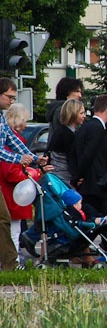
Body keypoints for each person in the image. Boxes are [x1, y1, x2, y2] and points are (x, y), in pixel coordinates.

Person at [0, 104, 41, 264]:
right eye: (24, 121)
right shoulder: (10, 142)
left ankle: (12, 261)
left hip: (13, 193)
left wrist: (34, 159)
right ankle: (12, 261)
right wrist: (34, 173)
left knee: (12, 228)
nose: (26, 125)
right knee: (12, 229)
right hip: (13, 193)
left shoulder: (11, 137)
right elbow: (10, 172)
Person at [73, 93, 107, 217]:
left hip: (88, 183)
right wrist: (78, 177)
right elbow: (88, 155)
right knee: (104, 219)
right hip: (96, 183)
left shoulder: (86, 127)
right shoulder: (97, 128)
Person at [46, 98, 85, 184]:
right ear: (73, 114)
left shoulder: (63, 131)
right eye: (81, 113)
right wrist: (76, 179)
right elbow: (71, 159)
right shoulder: (66, 134)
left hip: (60, 176)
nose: (84, 116)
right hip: (63, 177)